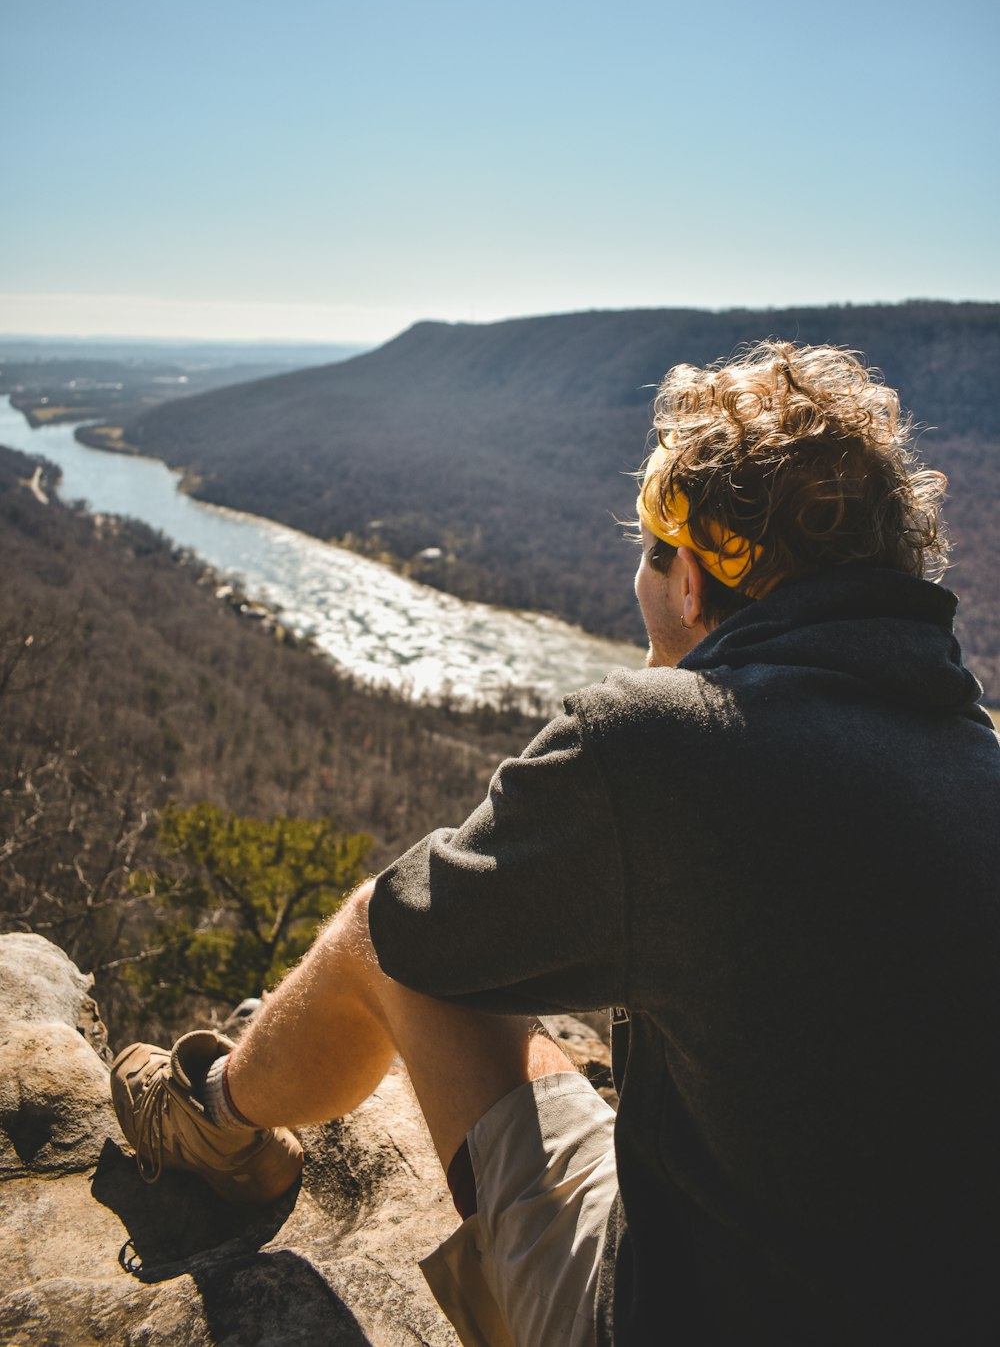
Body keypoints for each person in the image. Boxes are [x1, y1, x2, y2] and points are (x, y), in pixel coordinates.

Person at [112, 341, 1000, 1346]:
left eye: (649, 554)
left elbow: (419, 934)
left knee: (376, 928)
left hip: (667, 1320)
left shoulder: (668, 741)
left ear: (694, 580)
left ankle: (213, 1121)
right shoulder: (979, 760)